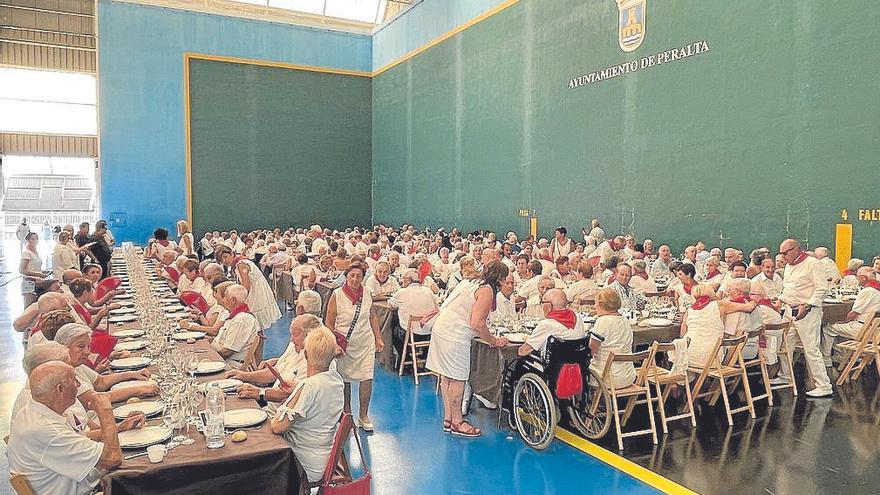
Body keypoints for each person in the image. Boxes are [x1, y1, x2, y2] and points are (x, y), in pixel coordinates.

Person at [7, 361, 122, 495]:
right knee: (146, 479)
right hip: (86, 491)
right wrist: (106, 411)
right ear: (60, 389)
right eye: (74, 380)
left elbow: (75, 440)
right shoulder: (45, 429)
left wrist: (119, 427)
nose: (79, 384)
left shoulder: (33, 410)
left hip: (76, 483)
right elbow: (113, 458)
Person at [426, 261, 509, 438]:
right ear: (500, 279)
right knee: (457, 379)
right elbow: (477, 323)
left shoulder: (471, 280)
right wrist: (493, 340)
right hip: (455, 335)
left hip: (442, 328)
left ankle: (448, 419)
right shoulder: (486, 290)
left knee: (446, 377)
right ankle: (458, 422)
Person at [270, 327, 344, 486]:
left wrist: (297, 392)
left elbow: (278, 426)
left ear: (305, 354)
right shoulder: (335, 380)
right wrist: (297, 390)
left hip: (302, 462)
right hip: (323, 456)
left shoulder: (308, 387)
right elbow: (317, 396)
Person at [324, 262, 382, 431]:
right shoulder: (337, 294)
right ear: (346, 276)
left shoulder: (367, 294)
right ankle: (347, 413)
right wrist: (334, 343)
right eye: (352, 276)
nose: (355, 279)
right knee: (345, 379)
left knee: (367, 377)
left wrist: (378, 338)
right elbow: (329, 321)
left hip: (365, 342)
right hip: (344, 344)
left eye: (358, 276)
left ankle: (364, 415)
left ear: (363, 278)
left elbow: (372, 317)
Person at [773, 239, 833, 398]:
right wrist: (781, 299)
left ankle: (824, 385)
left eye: (785, 253)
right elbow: (789, 287)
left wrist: (807, 306)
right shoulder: (787, 266)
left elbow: (822, 289)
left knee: (811, 349)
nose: (783, 256)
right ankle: (785, 375)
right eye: (781, 253)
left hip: (808, 313)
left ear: (797, 249)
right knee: (786, 345)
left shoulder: (813, 263)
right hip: (789, 310)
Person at [232, 314, 325, 407]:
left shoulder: (314, 363)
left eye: (295, 335)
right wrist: (243, 375)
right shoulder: (298, 350)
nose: (291, 339)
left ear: (310, 336)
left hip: (277, 413)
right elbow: (276, 372)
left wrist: (258, 392)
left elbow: (288, 394)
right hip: (270, 405)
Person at [680, 284, 756, 367]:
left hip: (688, 356)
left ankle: (696, 380)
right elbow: (749, 307)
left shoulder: (689, 310)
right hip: (712, 358)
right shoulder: (720, 304)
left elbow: (682, 334)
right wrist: (754, 301)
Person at [821, 266, 880, 366]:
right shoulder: (877, 289)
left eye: (858, 277)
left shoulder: (867, 291)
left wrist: (844, 320)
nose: (857, 279)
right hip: (875, 330)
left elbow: (854, 313)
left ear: (864, 278)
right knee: (840, 328)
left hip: (863, 330)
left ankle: (826, 359)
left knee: (828, 328)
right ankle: (840, 357)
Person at [216, 245, 282, 330]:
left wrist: (239, 301)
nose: (224, 261)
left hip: (255, 295)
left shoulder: (241, 264)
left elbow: (246, 286)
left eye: (225, 257)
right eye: (221, 260)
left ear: (232, 253)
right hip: (257, 291)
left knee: (255, 325)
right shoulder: (240, 262)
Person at [588, 289, 636, 389]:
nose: (594, 306)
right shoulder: (625, 320)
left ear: (602, 304)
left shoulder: (602, 322)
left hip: (608, 377)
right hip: (628, 375)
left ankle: (587, 403)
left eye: (595, 302)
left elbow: (591, 352)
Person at [518, 288, 585, 357]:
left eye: (542, 303)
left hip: (553, 366)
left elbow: (523, 351)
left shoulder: (547, 325)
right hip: (579, 364)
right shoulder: (578, 318)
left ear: (548, 306)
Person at [389, 269, 438, 357]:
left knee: (394, 328)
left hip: (411, 335)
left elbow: (389, 305)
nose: (401, 281)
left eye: (403, 278)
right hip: (428, 333)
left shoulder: (402, 292)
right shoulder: (428, 291)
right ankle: (424, 359)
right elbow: (436, 308)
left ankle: (406, 358)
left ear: (409, 280)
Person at [211, 284, 260, 369]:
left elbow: (227, 352)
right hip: (225, 360)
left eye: (225, 297)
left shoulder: (241, 319)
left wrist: (209, 356)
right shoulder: (235, 316)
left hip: (231, 365)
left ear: (233, 300)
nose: (223, 300)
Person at [20, 232, 47, 306]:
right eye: (33, 239)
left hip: (38, 282)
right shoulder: (26, 253)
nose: (35, 241)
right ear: (28, 240)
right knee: (29, 308)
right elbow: (22, 270)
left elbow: (34, 267)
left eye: (36, 239)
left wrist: (42, 272)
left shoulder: (35, 252)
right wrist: (38, 274)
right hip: (29, 283)